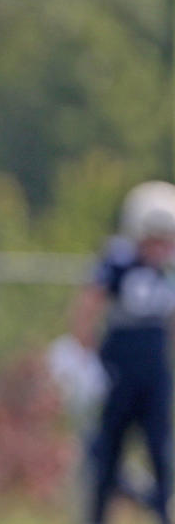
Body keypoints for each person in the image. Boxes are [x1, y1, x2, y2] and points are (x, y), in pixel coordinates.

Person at [69, 180, 175, 524]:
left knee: (160, 451)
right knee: (107, 453)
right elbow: (89, 303)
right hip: (118, 373)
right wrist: (84, 356)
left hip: (155, 374)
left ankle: (160, 511)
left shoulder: (166, 271)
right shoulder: (119, 261)